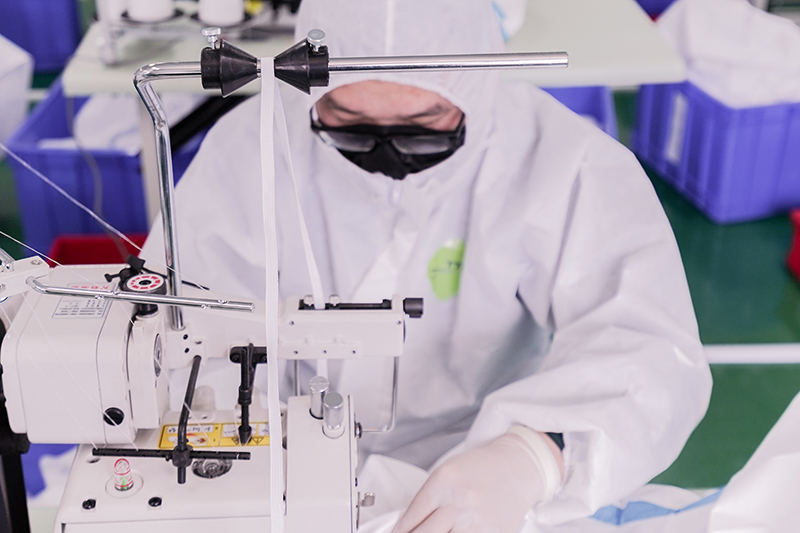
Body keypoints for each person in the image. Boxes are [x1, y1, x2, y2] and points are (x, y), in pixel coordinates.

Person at [141, 0, 712, 531]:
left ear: (477, 86)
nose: (386, 153)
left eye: (423, 125)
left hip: (481, 468)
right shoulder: (251, 150)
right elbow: (176, 331)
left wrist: (535, 455)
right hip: (277, 457)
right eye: (347, 121)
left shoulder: (558, 161)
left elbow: (650, 351)